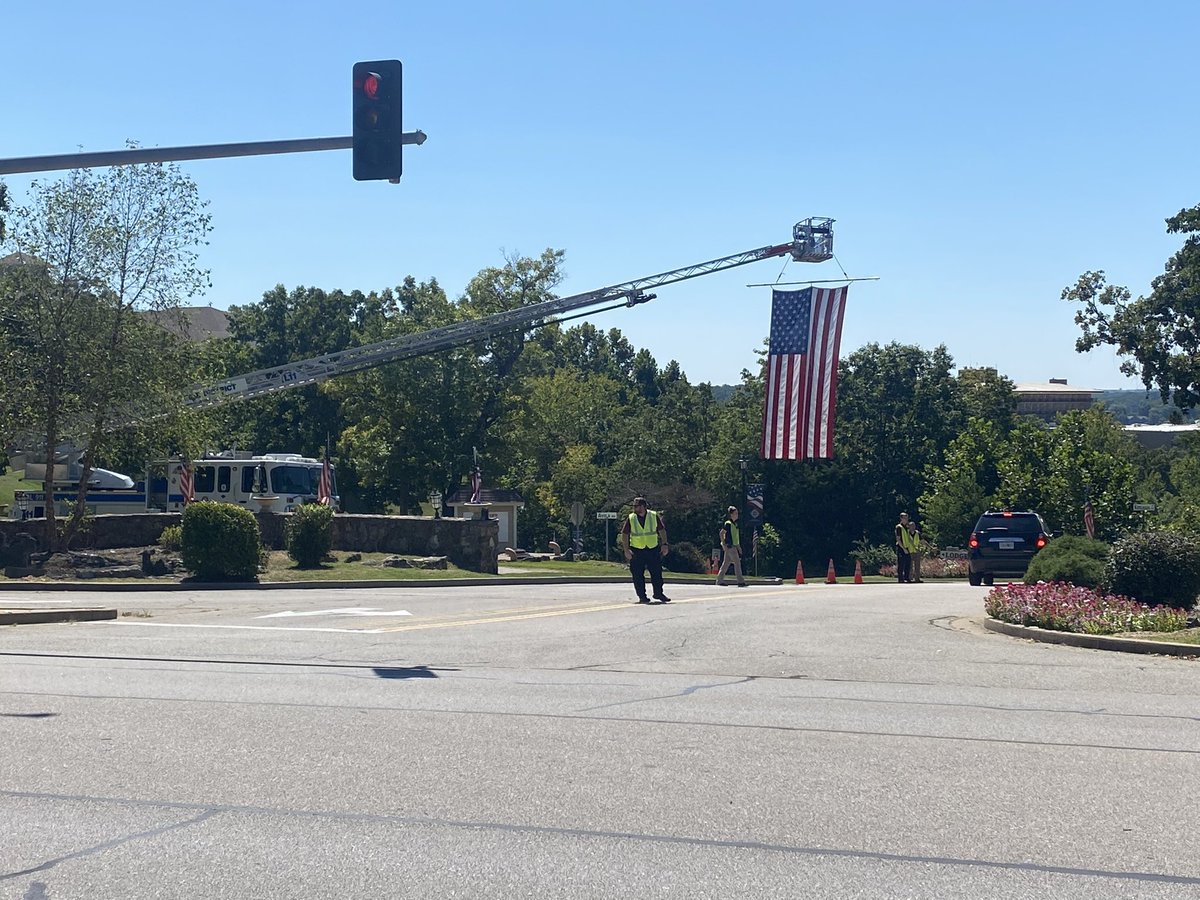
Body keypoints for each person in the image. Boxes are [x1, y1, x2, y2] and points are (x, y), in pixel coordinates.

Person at [619, 496, 671, 603]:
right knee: (637, 575)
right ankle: (642, 596)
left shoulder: (653, 516)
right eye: (634, 506)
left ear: (643, 506)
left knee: (656, 573)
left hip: (652, 549)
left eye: (637, 506)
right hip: (637, 550)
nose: (635, 508)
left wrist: (665, 544)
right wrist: (626, 549)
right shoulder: (631, 518)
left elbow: (661, 530)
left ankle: (658, 593)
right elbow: (624, 534)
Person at [717, 506, 747, 587]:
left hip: (733, 546)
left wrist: (738, 547)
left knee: (726, 563)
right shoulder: (728, 523)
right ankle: (740, 581)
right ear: (731, 514)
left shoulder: (735, 524)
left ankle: (719, 580)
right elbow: (721, 533)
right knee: (737, 563)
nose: (737, 515)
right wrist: (723, 544)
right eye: (735, 513)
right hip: (729, 546)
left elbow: (735, 537)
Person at [894, 512, 912, 584]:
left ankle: (907, 578)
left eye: (907, 518)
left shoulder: (907, 527)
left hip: (907, 547)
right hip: (901, 547)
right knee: (901, 563)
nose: (906, 519)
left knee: (908, 562)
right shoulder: (899, 527)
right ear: (901, 518)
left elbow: (908, 538)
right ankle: (900, 579)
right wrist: (903, 548)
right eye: (905, 518)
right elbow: (898, 539)